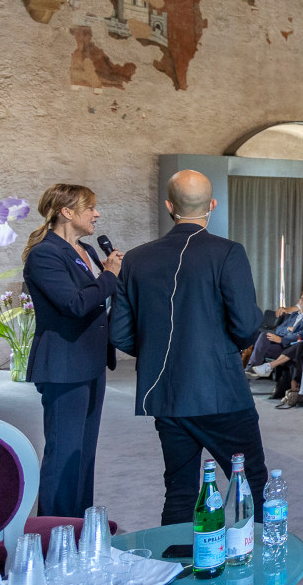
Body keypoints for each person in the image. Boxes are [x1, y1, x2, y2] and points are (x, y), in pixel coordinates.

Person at [109, 170, 267, 524]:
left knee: (179, 490)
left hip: (165, 392)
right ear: (212, 205)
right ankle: (258, 566)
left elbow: (119, 334)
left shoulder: (135, 259)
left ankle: (180, 569)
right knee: (252, 483)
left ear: (168, 206)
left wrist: (161, 350)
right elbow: (245, 324)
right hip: (221, 391)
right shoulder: (228, 252)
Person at [22, 184, 122, 518]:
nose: (96, 214)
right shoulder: (45, 254)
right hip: (63, 364)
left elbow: (98, 299)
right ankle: (54, 535)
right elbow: (75, 304)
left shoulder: (87, 250)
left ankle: (78, 527)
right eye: (90, 207)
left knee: (84, 453)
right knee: (63, 454)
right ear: (67, 211)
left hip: (91, 362)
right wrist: (109, 275)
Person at [246, 291, 303, 368]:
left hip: (292, 348)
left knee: (260, 348)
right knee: (263, 336)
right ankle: (253, 367)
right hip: (281, 346)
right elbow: (278, 329)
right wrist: (287, 329)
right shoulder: (294, 315)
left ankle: (253, 368)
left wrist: (282, 339)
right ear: (298, 301)